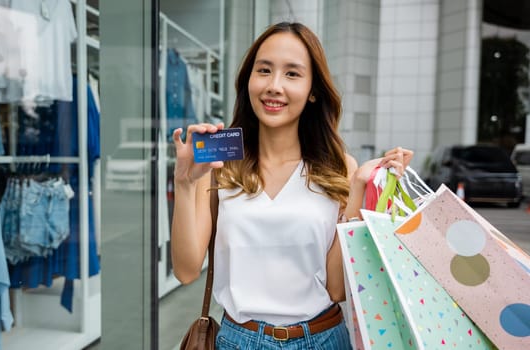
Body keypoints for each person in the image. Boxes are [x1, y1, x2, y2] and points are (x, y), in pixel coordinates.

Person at [171, 22, 413, 349]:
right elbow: (186, 271)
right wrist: (186, 183)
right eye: (264, 70)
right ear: (248, 81)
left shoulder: (339, 168)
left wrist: (358, 189)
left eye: (292, 74)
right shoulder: (218, 164)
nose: (274, 86)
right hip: (237, 341)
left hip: (323, 339)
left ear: (313, 89)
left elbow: (337, 289)